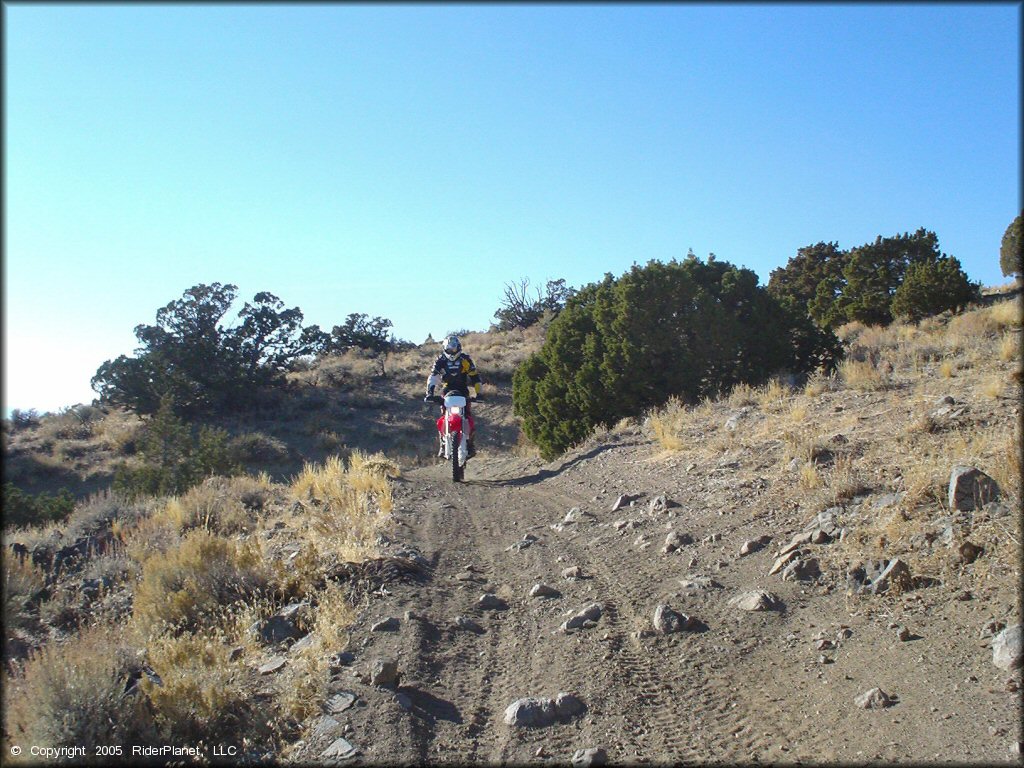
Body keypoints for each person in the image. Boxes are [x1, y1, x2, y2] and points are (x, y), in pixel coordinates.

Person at [424, 334, 481, 457]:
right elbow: (434, 376)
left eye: (454, 348)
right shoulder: (440, 361)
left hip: (463, 391)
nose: (452, 351)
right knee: (443, 414)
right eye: (449, 348)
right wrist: (430, 393)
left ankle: (470, 444)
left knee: (468, 415)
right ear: (445, 348)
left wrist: (479, 393)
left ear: (458, 347)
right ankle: (443, 444)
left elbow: (474, 376)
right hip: (447, 390)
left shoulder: (465, 359)